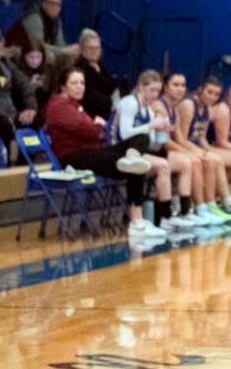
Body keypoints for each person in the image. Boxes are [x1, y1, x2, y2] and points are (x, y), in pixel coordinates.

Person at [43, 66, 165, 240]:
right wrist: (98, 126)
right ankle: (136, 222)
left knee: (140, 139)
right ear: (63, 86)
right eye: (74, 83)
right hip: (72, 158)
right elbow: (91, 131)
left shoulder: (76, 106)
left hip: (90, 151)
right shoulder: (59, 106)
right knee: (136, 167)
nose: (80, 87)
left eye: (82, 83)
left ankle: (131, 158)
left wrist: (97, 128)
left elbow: (97, 133)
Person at [117, 70, 201, 232]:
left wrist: (161, 132)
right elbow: (124, 134)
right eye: (152, 90)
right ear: (141, 88)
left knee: (182, 164)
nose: (155, 94)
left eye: (157, 90)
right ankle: (165, 215)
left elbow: (155, 145)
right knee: (165, 165)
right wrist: (152, 126)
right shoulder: (130, 103)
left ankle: (182, 213)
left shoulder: (148, 110)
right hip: (118, 150)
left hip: (138, 150)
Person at [176, 77, 231, 224]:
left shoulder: (207, 107)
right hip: (188, 148)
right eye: (210, 92)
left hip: (200, 147)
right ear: (200, 90)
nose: (213, 97)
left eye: (216, 94)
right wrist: (204, 151)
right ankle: (228, 203)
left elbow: (202, 138)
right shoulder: (194, 105)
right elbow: (183, 138)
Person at [159, 72, 225, 226]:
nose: (180, 89)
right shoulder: (161, 107)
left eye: (182, 85)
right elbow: (164, 141)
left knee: (206, 159)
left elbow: (182, 137)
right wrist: (189, 152)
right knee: (194, 161)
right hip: (154, 150)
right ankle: (196, 209)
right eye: (175, 85)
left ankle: (207, 206)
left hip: (167, 148)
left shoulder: (174, 109)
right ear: (165, 87)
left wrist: (200, 151)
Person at [6, 0, 80, 61]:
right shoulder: (34, 17)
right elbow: (38, 46)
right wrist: (64, 50)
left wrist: (70, 50)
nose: (55, 7)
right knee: (49, 56)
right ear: (44, 4)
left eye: (58, 5)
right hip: (18, 50)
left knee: (70, 56)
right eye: (52, 3)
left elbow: (60, 43)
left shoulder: (57, 21)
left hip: (38, 52)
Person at [0, 28, 38, 156]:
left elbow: (24, 84)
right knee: (4, 124)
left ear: (2, 43)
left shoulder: (6, 63)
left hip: (11, 113)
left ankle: (31, 158)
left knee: (33, 120)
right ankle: (7, 164)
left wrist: (30, 107)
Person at [75, 29, 117, 122]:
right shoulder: (79, 69)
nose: (94, 51)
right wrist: (108, 101)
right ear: (81, 49)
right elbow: (90, 97)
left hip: (105, 115)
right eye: (90, 48)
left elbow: (111, 86)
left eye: (97, 48)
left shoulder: (101, 66)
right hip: (88, 116)